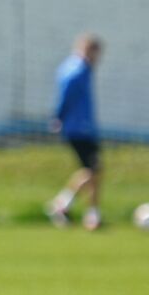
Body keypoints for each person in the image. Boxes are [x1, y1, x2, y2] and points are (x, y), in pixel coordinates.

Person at [46, 33, 104, 231]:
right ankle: (77, 210)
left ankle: (79, 210)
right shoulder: (78, 69)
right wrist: (59, 117)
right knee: (94, 169)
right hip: (78, 128)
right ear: (88, 50)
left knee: (92, 170)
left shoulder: (76, 67)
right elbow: (66, 95)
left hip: (83, 127)